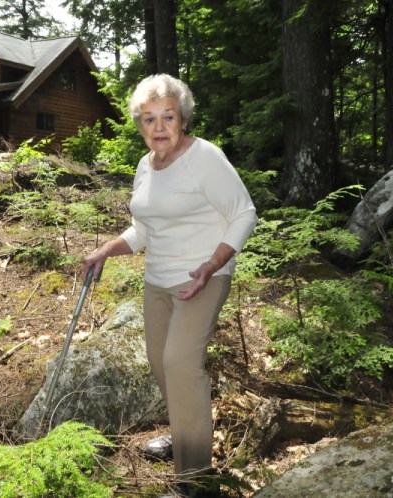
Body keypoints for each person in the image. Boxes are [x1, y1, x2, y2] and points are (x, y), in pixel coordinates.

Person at [82, 73, 257, 495]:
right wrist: (105, 249)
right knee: (161, 364)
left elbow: (245, 213)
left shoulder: (205, 157)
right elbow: (142, 233)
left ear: (183, 118)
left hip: (203, 277)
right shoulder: (146, 165)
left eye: (167, 117)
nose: (158, 128)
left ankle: (193, 480)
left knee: (181, 365)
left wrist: (213, 263)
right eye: (148, 119)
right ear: (139, 124)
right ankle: (185, 434)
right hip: (157, 280)